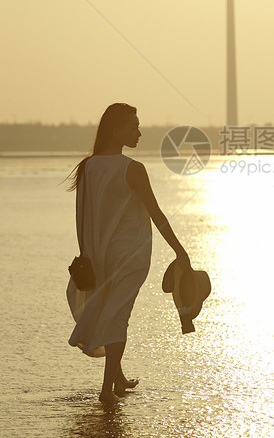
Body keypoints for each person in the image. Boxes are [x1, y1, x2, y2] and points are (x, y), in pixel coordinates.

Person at [66, 102, 192, 404]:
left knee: (112, 313)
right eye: (133, 126)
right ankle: (107, 390)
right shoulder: (132, 169)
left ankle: (117, 378)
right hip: (130, 255)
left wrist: (86, 254)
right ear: (115, 129)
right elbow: (157, 213)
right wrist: (180, 252)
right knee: (118, 317)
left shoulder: (88, 166)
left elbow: (81, 216)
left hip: (98, 255)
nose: (139, 132)